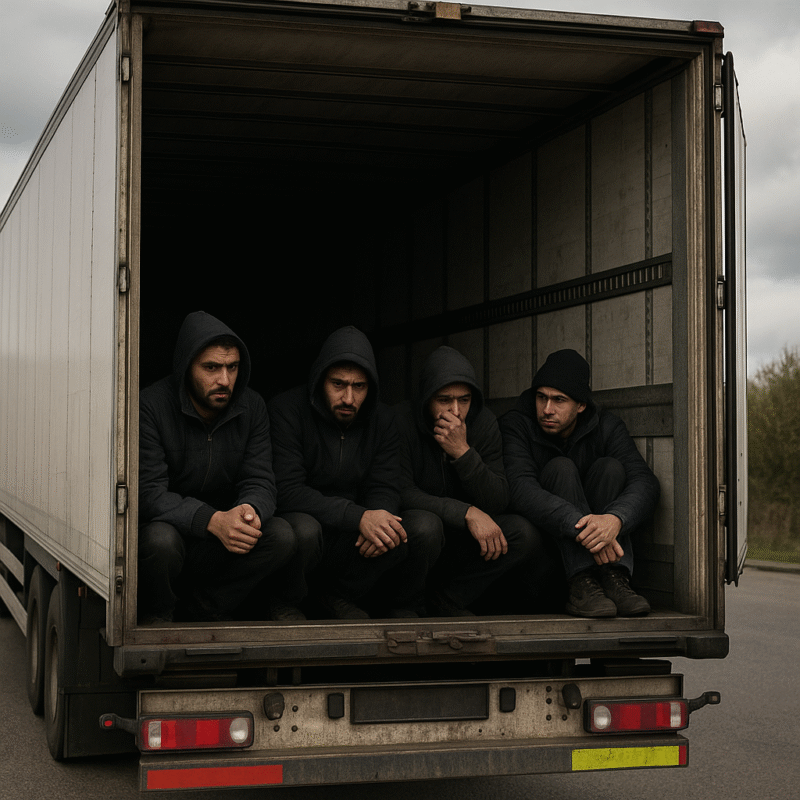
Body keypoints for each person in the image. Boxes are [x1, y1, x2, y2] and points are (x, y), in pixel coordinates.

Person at [138, 311, 303, 624]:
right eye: (211, 367)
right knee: (159, 541)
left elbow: (260, 479)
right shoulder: (151, 405)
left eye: (233, 367)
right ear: (187, 365)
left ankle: (205, 607)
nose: (224, 380)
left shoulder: (252, 406)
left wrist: (250, 511)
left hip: (227, 530)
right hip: (174, 530)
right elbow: (148, 493)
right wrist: (210, 519)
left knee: (281, 535)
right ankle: (159, 614)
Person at [268, 326, 442, 620]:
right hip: (308, 523)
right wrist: (359, 517)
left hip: (353, 534)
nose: (348, 398)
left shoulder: (383, 419)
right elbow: (287, 490)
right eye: (338, 384)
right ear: (320, 379)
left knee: (418, 527)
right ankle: (284, 602)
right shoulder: (286, 410)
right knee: (302, 530)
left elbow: (385, 485)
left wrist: (379, 519)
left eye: (359, 386)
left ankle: (339, 596)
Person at [500, 349, 659, 618]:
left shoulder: (606, 426)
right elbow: (519, 488)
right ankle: (581, 581)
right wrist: (586, 527)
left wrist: (615, 520)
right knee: (561, 468)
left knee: (611, 468)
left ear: (581, 405)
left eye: (559, 400)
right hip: (546, 554)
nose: (547, 409)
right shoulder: (516, 424)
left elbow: (645, 482)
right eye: (541, 397)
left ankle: (613, 577)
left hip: (602, 548)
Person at [395, 346, 540, 616]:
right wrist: (466, 512)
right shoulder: (401, 421)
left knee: (522, 532)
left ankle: (447, 600)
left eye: (464, 400)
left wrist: (462, 453)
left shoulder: (482, 422)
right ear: (427, 398)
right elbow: (401, 492)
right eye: (444, 400)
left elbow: (498, 498)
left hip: (461, 539)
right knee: (426, 526)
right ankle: (405, 606)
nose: (456, 411)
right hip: (417, 536)